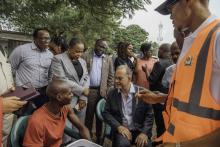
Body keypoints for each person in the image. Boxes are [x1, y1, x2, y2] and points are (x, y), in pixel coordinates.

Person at [138, 0, 220, 146]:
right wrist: (161, 98)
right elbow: (194, 100)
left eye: (170, 9)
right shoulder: (191, 42)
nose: (170, 17)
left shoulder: (217, 38)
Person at [23, 79, 90, 147]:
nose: (72, 95)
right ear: (59, 97)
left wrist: (90, 144)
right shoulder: (37, 121)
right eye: (69, 93)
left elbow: (82, 128)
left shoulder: (65, 107)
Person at [103, 65, 153, 147]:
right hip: (122, 131)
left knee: (146, 145)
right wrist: (118, 126)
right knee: (122, 144)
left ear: (129, 78)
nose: (116, 81)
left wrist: (144, 133)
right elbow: (106, 113)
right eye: (115, 78)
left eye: (119, 78)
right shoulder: (112, 93)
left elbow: (149, 115)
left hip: (139, 130)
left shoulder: (142, 93)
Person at [50, 37, 89, 130]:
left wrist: (83, 96)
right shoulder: (58, 59)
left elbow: (86, 77)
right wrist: (82, 90)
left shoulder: (82, 61)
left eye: (81, 51)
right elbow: (61, 80)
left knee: (78, 126)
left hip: (81, 100)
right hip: (66, 100)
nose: (79, 54)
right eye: (76, 51)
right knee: (66, 128)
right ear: (69, 48)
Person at [9, 28, 53, 108]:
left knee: (39, 115)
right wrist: (15, 85)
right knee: (23, 116)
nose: (46, 41)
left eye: (48, 38)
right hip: (25, 90)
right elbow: (10, 68)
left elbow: (50, 73)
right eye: (43, 38)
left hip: (43, 91)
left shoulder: (50, 54)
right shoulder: (21, 50)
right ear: (35, 38)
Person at [82, 38, 114, 144]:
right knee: (89, 115)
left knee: (100, 116)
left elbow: (111, 77)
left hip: (102, 92)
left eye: (104, 47)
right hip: (89, 91)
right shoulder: (86, 56)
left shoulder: (108, 59)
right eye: (100, 46)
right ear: (95, 45)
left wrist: (107, 91)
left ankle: (99, 138)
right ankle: (87, 137)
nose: (102, 49)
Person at [0, 48, 27, 146]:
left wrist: (11, 85)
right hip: (3, 104)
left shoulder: (3, 49)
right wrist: (1, 105)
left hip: (8, 99)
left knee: (5, 134)